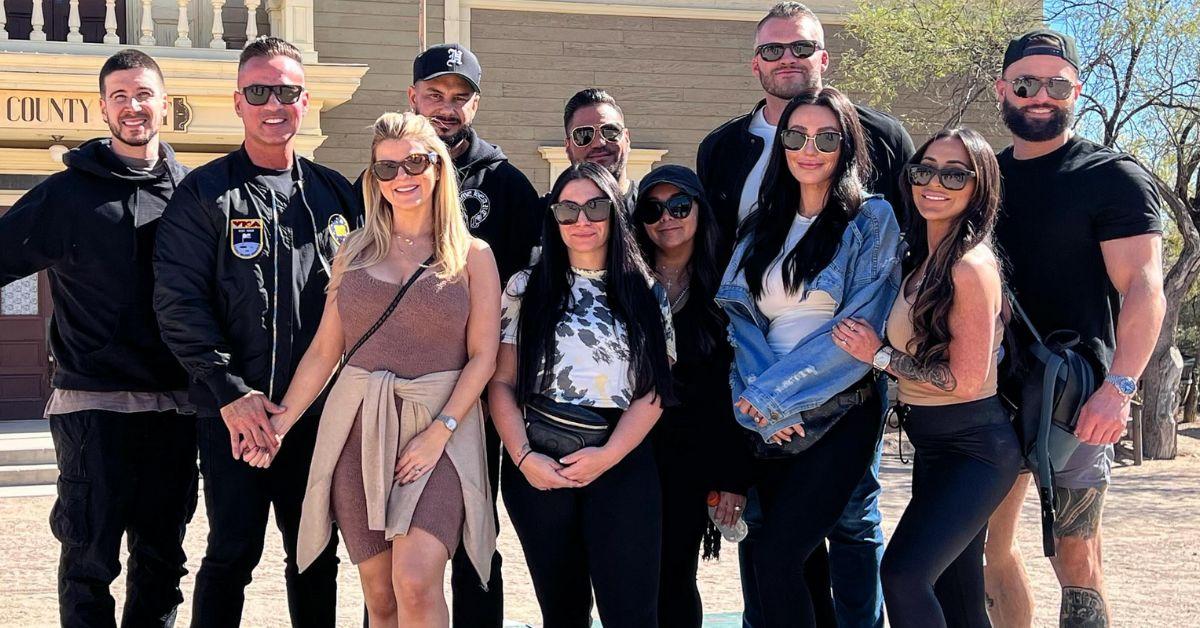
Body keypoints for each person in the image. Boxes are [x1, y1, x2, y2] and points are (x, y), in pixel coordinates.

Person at [698, 5, 914, 624]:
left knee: (841, 533)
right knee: (770, 549)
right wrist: (759, 398)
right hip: (764, 408)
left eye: (826, 138)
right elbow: (739, 315)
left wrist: (777, 396)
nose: (809, 147)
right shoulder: (756, 212)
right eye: (795, 138)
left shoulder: (871, 215)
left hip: (836, 403)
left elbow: (859, 328)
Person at [242, 111, 499, 628]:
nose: (402, 178)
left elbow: (484, 357)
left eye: (415, 163)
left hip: (438, 432)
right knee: (380, 597)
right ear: (374, 180)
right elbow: (323, 352)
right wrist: (279, 425)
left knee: (417, 580)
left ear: (439, 169)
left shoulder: (474, 255)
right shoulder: (354, 251)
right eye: (387, 169)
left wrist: (440, 432)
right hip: (358, 431)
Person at [153, 36, 361, 627]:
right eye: (259, 91)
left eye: (287, 92)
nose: (274, 103)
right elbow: (179, 304)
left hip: (317, 420)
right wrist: (232, 394)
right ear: (238, 101)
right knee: (230, 556)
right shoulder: (204, 194)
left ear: (305, 100)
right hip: (233, 420)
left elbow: (366, 306)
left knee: (315, 558)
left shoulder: (337, 197)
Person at [0, 49, 196, 628]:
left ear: (165, 102)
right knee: (89, 563)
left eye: (143, 94)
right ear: (103, 107)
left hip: (177, 408)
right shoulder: (65, 197)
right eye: (119, 96)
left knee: (162, 564)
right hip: (94, 406)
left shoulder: (192, 194)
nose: (133, 107)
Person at [984, 29, 1165, 628]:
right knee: (991, 552)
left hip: (1079, 395)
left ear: (1076, 91)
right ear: (1002, 90)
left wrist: (1121, 387)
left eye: (1056, 84)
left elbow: (1143, 287)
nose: (1040, 95)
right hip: (989, 394)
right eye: (1025, 83)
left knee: (1075, 554)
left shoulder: (1111, 176)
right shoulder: (980, 177)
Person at [834, 127, 1021, 627]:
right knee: (958, 593)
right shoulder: (925, 258)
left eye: (955, 173)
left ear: (979, 185)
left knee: (902, 574)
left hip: (975, 451)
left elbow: (964, 379)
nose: (934, 182)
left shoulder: (968, 267)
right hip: (938, 446)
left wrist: (878, 356)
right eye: (925, 169)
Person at [488, 162, 676, 627]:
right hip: (539, 462)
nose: (582, 220)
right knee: (563, 613)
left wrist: (609, 455)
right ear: (553, 217)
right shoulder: (524, 288)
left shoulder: (646, 292)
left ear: (614, 212)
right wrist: (523, 457)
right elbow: (501, 383)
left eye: (594, 206)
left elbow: (653, 392)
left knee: (631, 614)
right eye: (567, 210)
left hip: (622, 462)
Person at [406, 43, 541, 626]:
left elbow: (529, 290)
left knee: (475, 533)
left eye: (460, 98)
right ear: (412, 97)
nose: (447, 109)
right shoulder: (388, 173)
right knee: (397, 534)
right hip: (402, 386)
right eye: (435, 95)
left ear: (476, 105)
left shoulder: (508, 186)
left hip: (478, 386)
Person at [634, 165, 750, 627]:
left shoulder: (729, 283)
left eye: (680, 205)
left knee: (676, 575)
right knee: (632, 576)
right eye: (653, 208)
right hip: (628, 452)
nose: (667, 217)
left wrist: (732, 475)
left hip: (696, 456)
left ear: (700, 209)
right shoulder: (624, 281)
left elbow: (740, 382)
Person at [562, 88, 637, 205]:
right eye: (584, 134)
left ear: (627, 138)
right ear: (568, 147)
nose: (599, 143)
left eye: (610, 131)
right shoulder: (544, 213)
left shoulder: (656, 211)